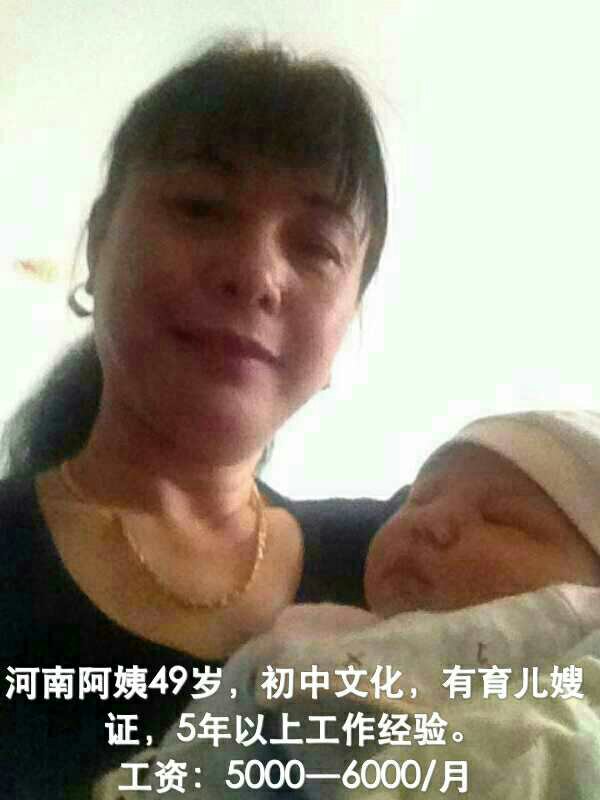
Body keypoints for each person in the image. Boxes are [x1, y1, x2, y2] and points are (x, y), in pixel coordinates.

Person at [0, 36, 408, 799]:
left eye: (316, 247)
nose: (255, 273)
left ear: (350, 316)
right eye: (201, 208)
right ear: (99, 242)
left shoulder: (408, 567)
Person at [109, 410, 600, 799]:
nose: (431, 522)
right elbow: (200, 747)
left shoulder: (580, 661)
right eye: (420, 498)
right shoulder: (322, 637)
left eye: (503, 518)